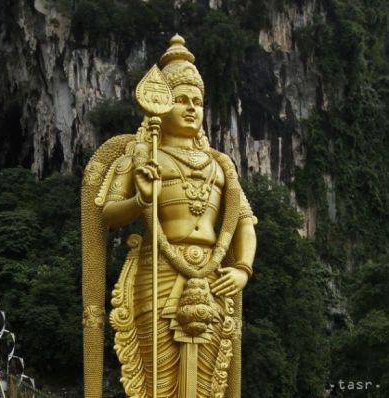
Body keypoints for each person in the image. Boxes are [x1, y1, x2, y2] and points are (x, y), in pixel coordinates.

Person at [81, 35, 257, 398]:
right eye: (181, 100)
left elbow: (244, 223)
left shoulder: (221, 165)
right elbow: (107, 215)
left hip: (212, 277)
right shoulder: (140, 156)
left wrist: (242, 269)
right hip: (156, 271)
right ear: (159, 106)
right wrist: (140, 200)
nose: (191, 108)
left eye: (197, 102)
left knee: (210, 381)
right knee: (156, 382)